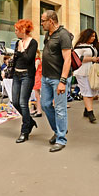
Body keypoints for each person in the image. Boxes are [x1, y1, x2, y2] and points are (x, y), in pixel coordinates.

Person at [40, 10, 73, 152]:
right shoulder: (48, 35)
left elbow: (68, 60)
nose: (41, 24)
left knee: (60, 109)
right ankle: (59, 130)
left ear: (51, 21)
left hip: (58, 78)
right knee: (45, 104)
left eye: (43, 21)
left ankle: (61, 139)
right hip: (46, 77)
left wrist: (63, 81)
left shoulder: (63, 35)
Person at [11, 19, 39, 143]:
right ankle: (30, 121)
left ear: (23, 30)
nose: (15, 32)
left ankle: (24, 131)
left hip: (27, 75)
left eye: (17, 30)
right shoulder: (18, 42)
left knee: (23, 102)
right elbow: (17, 59)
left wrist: (22, 49)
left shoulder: (33, 43)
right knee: (15, 102)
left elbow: (28, 59)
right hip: (17, 75)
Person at [73, 29, 99, 123]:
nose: (93, 38)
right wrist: (92, 59)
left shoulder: (93, 46)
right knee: (87, 92)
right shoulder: (79, 46)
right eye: (91, 36)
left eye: (94, 36)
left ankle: (87, 110)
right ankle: (90, 113)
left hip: (93, 71)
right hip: (82, 72)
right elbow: (77, 58)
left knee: (92, 91)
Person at [31, 50, 43, 117]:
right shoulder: (38, 60)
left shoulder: (37, 60)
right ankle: (38, 109)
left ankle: (39, 110)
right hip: (37, 78)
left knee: (37, 96)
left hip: (37, 78)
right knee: (37, 96)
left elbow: (34, 69)